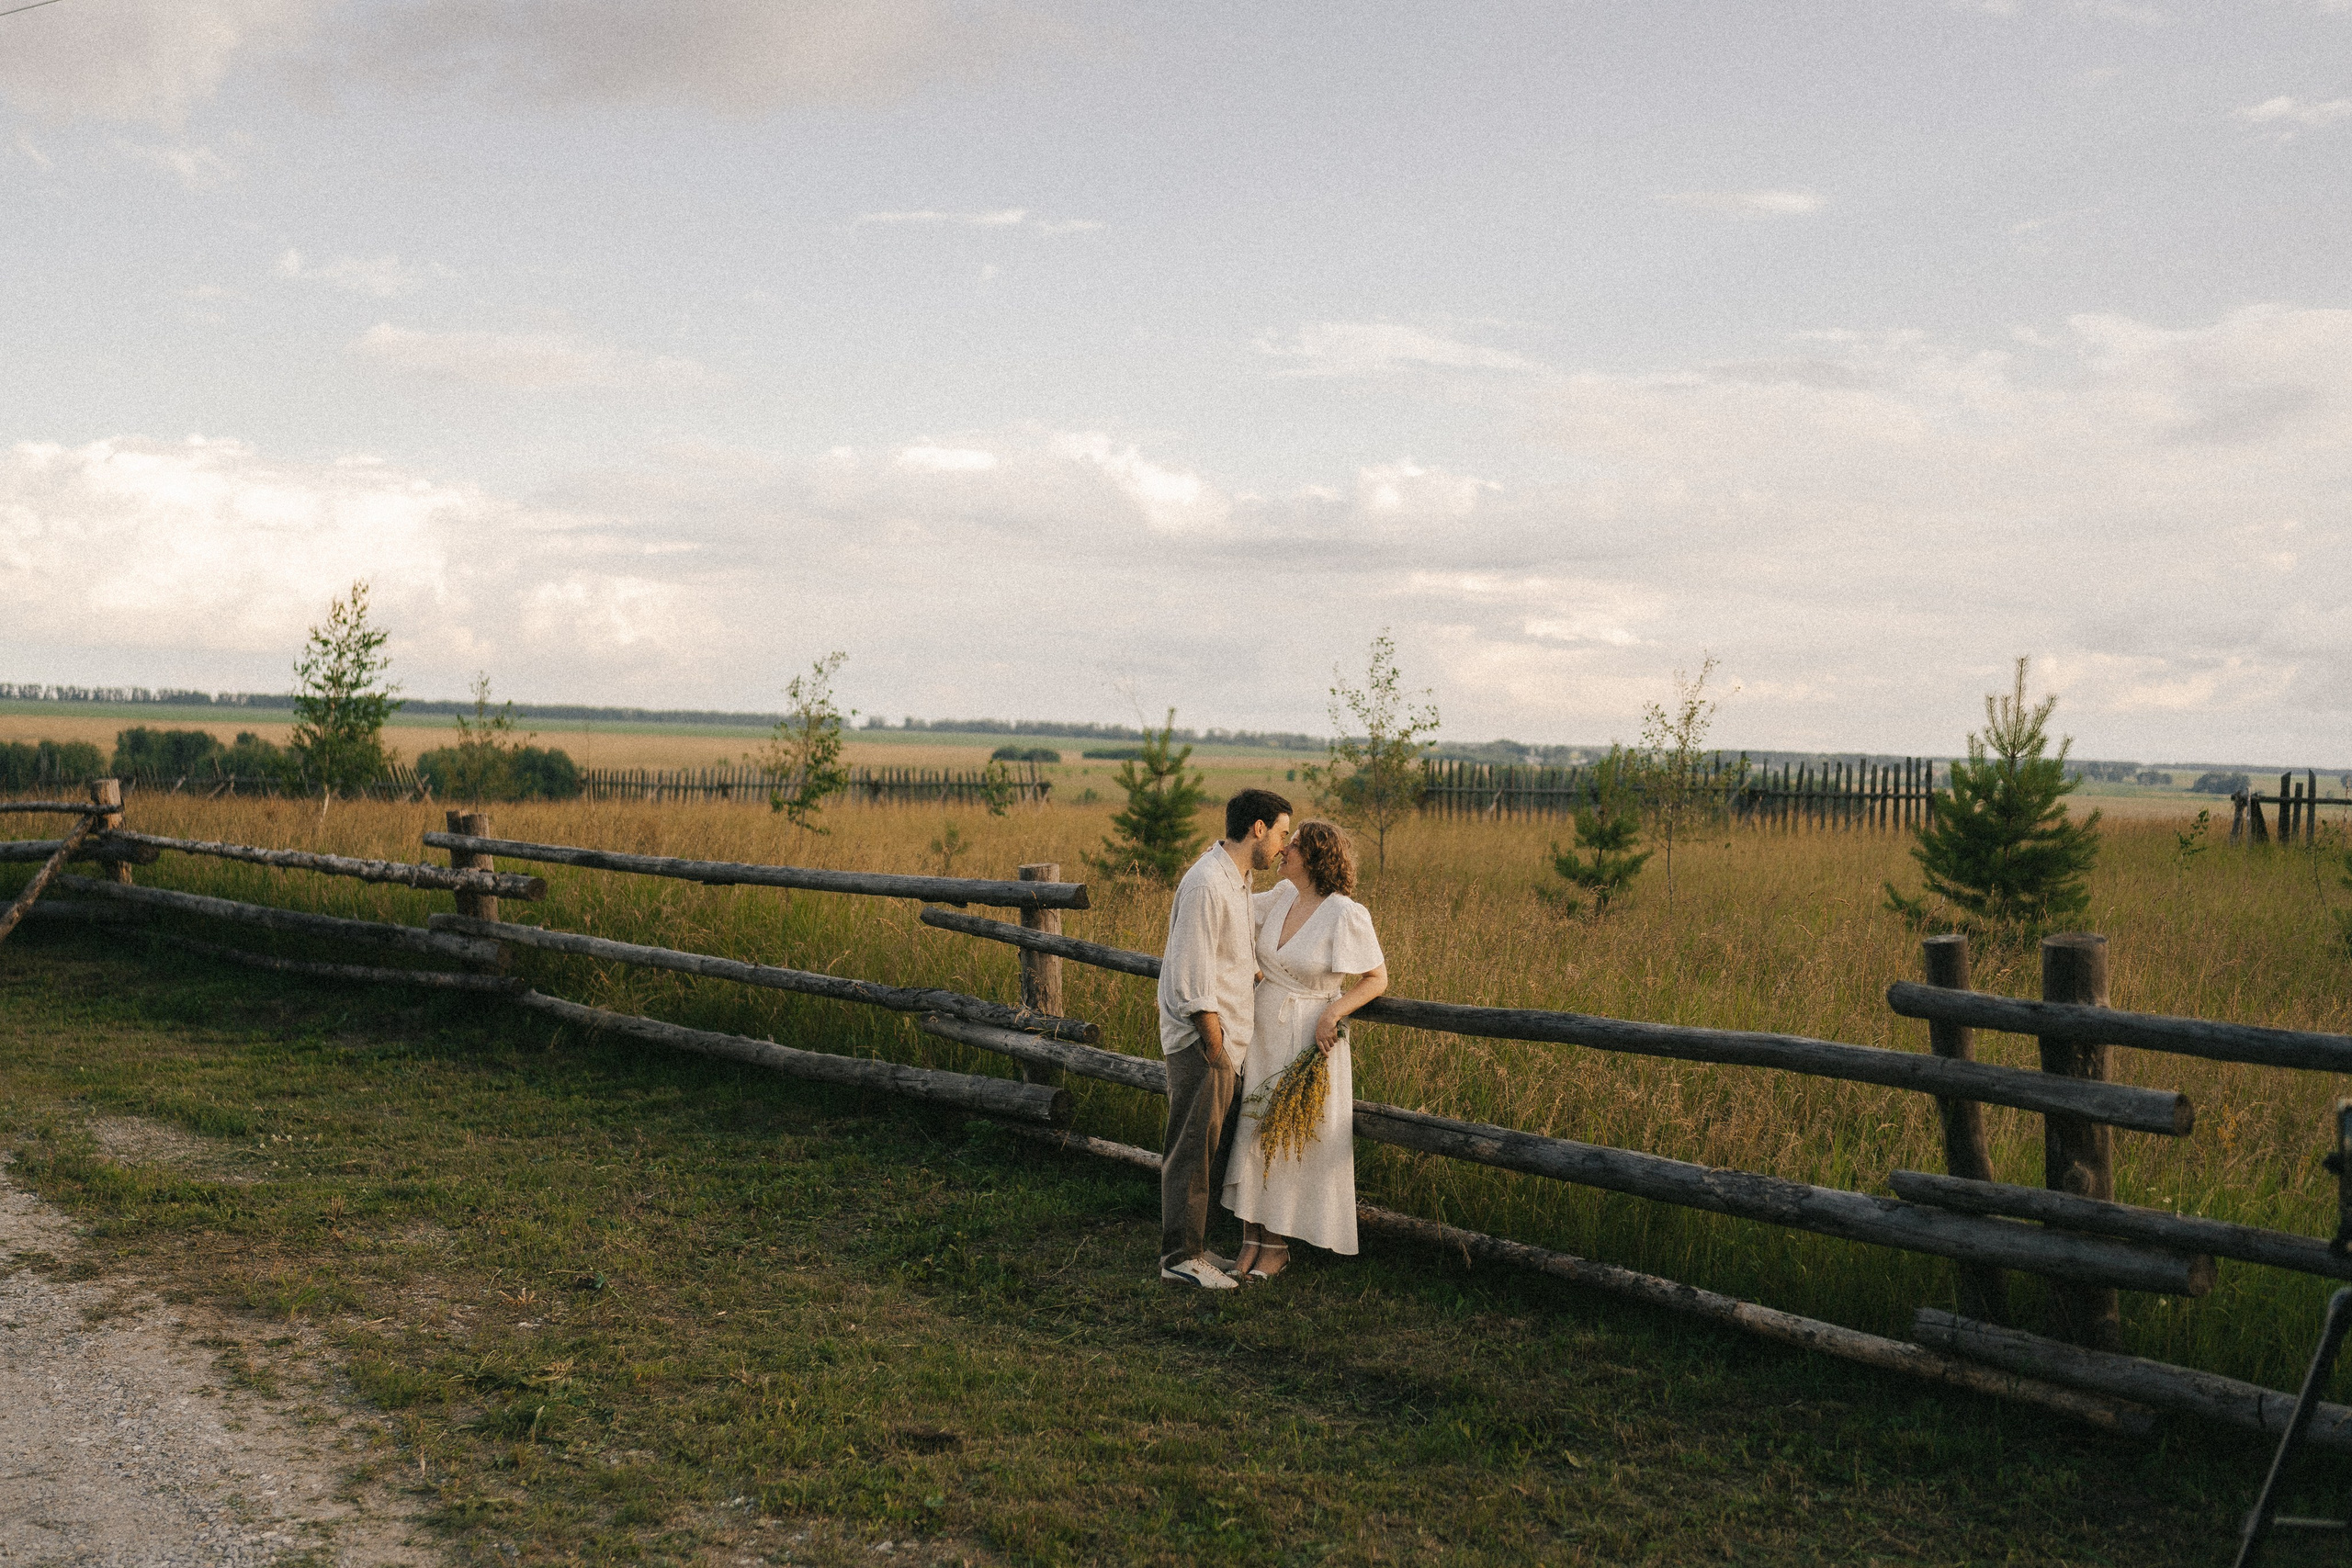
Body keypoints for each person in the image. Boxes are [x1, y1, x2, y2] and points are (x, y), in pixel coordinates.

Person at [1223, 818, 1388, 1280]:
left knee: (1287, 1136)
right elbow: (1229, 905)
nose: (1282, 852)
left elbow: (1377, 978)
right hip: (1264, 1028)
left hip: (1305, 1036)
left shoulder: (1344, 913)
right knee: (1253, 1131)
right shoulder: (1279, 898)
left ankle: (1276, 1246)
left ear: (1314, 857)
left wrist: (1333, 1014)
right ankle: (1249, 1241)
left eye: (1291, 847)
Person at [1155, 787, 1293, 1289]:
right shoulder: (1207, 882)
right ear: (1257, 828)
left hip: (1224, 1042)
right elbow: (1190, 976)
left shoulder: (1237, 880)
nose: (1283, 845)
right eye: (1280, 834)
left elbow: (1227, 950)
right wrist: (1213, 1048)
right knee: (1191, 1151)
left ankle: (1191, 1248)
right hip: (1203, 1044)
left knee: (1206, 1149)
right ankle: (1179, 1260)